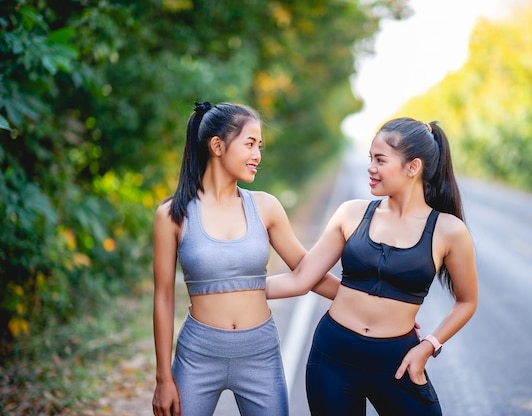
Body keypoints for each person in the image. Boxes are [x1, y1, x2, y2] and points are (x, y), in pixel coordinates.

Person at [266, 117, 479, 416]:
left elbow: (467, 301)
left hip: (397, 362)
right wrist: (234, 286)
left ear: (413, 167)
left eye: (380, 160)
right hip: (332, 357)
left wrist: (428, 346)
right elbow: (303, 278)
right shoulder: (351, 214)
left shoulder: (449, 231)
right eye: (370, 158)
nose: (370, 167)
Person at [151, 100, 339, 416]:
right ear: (217, 146)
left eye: (260, 146)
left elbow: (308, 271)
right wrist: (162, 378)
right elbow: (164, 298)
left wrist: (368, 304)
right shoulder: (172, 215)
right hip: (198, 355)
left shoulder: (265, 207)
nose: (258, 156)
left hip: (259, 354)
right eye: (250, 144)